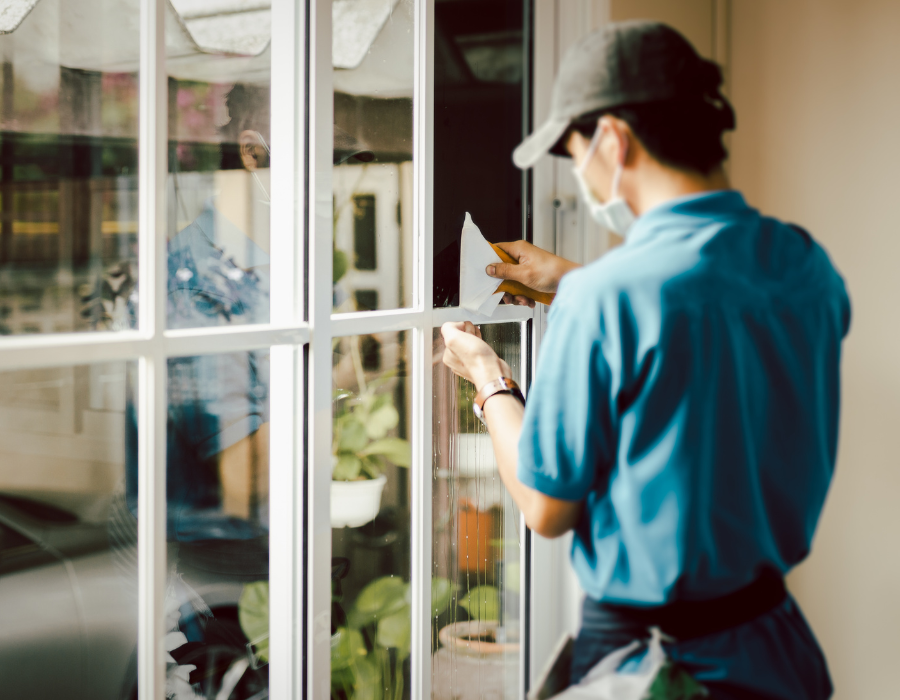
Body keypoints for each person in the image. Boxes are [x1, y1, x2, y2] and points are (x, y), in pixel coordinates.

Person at [441, 21, 850, 700]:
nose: (578, 172)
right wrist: (571, 280)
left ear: (612, 140)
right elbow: (710, 315)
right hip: (776, 644)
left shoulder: (606, 299)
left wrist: (490, 380)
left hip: (655, 663)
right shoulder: (803, 263)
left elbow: (547, 508)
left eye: (574, 153)